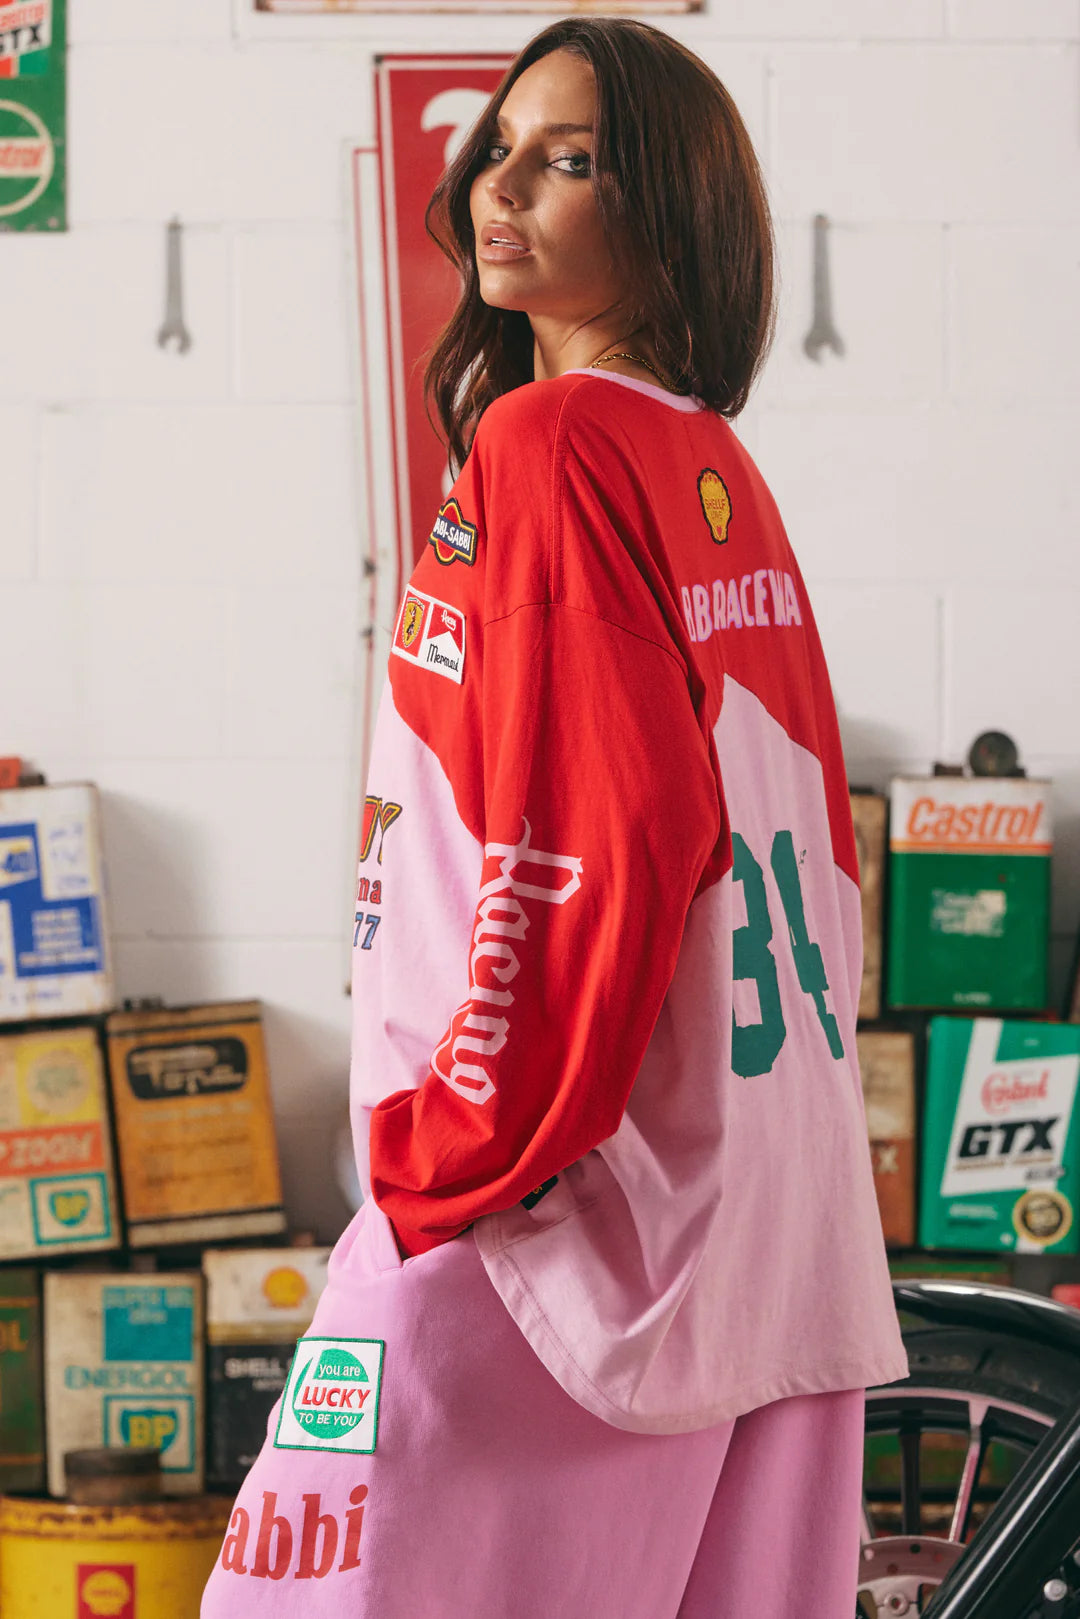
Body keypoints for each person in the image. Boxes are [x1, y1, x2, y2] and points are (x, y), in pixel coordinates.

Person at [202, 18, 908, 1618]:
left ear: (666, 211)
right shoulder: (708, 459)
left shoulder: (555, 440)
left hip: (562, 1217)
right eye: (503, 146)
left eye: (570, 159)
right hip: (770, 1223)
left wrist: (457, 1155)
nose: (500, 185)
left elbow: (587, 833)